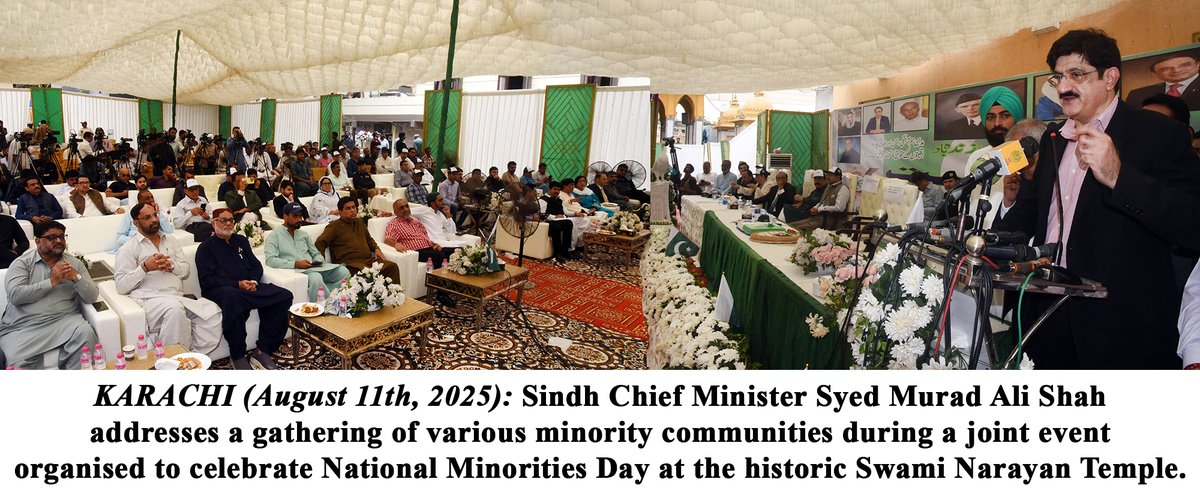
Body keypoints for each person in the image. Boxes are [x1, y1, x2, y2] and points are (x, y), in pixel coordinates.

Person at [994, 28, 1200, 369]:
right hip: (1046, 317)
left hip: (1120, 328)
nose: (1063, 87)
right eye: (1058, 77)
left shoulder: (1159, 133)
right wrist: (986, 242)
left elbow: (1192, 224)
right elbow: (1031, 213)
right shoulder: (1053, 139)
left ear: (1110, 78)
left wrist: (1119, 176)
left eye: (1077, 74)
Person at [115, 203, 222, 354]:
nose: (154, 220)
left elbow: (185, 271)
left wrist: (171, 266)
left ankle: (190, 355)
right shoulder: (128, 248)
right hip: (150, 300)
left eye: (155, 215)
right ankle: (174, 362)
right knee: (175, 310)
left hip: (176, 297)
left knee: (213, 313)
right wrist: (145, 267)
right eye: (147, 217)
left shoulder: (170, 240)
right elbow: (121, 285)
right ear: (136, 223)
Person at [196, 208, 293, 370]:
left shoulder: (240, 240)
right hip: (221, 290)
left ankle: (263, 349)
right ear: (214, 223)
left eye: (231, 220)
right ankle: (238, 355)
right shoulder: (205, 248)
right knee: (232, 297)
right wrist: (237, 284)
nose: (228, 223)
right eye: (223, 220)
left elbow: (256, 266)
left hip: (247, 287)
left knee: (283, 295)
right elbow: (207, 280)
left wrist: (254, 281)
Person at [0, 220, 98, 369]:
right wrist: (52, 281)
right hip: (24, 326)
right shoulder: (22, 263)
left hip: (64, 320)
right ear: (38, 241)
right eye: (52, 237)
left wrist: (75, 277)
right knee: (17, 362)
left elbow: (91, 296)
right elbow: (15, 295)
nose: (59, 241)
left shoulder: (74, 264)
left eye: (61, 236)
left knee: (86, 334)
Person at [265, 202, 350, 302]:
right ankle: (325, 306)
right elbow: (270, 260)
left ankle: (334, 297)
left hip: (314, 267)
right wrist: (295, 264)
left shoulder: (303, 234)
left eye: (300, 216)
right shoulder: (274, 235)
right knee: (316, 278)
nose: (299, 219)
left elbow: (316, 253)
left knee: (344, 272)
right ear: (285, 216)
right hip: (297, 270)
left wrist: (318, 260)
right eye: (295, 216)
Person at [316, 197, 401, 283]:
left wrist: (376, 249)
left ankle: (393, 295)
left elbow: (369, 239)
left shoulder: (359, 222)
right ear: (340, 212)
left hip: (368, 261)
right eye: (348, 208)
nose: (352, 210)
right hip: (350, 264)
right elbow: (320, 242)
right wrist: (320, 262)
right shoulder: (333, 227)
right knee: (366, 273)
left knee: (392, 267)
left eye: (353, 207)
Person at [384, 199, 456, 282]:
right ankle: (441, 291)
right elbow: (387, 239)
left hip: (429, 247)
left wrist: (434, 244)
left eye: (407, 206)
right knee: (440, 256)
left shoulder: (416, 222)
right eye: (402, 208)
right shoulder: (394, 224)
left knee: (453, 252)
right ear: (396, 212)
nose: (406, 209)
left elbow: (425, 237)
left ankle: (454, 283)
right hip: (416, 251)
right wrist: (396, 244)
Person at [1126, 54, 1200, 110]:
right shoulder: (1138, 94)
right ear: (1155, 74)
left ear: (1198, 65)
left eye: (1184, 65)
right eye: (1166, 69)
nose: (1177, 71)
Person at [540, 181, 590, 257]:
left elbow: (565, 211)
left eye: (558, 190)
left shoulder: (559, 200)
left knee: (585, 220)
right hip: (551, 220)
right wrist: (555, 217)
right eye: (554, 189)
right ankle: (569, 249)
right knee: (569, 222)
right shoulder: (543, 199)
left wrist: (575, 213)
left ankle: (580, 245)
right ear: (549, 189)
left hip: (562, 218)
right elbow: (542, 214)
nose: (556, 191)